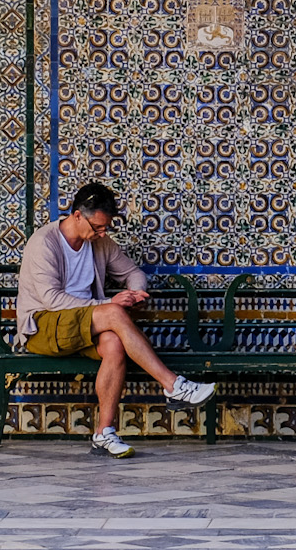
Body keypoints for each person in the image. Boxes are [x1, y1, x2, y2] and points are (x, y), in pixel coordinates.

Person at [17, 181, 216, 458]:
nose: (101, 233)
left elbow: (132, 271)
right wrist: (108, 304)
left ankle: (104, 433)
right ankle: (173, 386)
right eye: (97, 227)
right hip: (43, 325)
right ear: (77, 215)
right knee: (113, 313)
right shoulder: (44, 242)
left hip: (81, 324)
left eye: (105, 227)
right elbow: (52, 300)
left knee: (113, 343)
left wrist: (135, 291)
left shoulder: (100, 242)